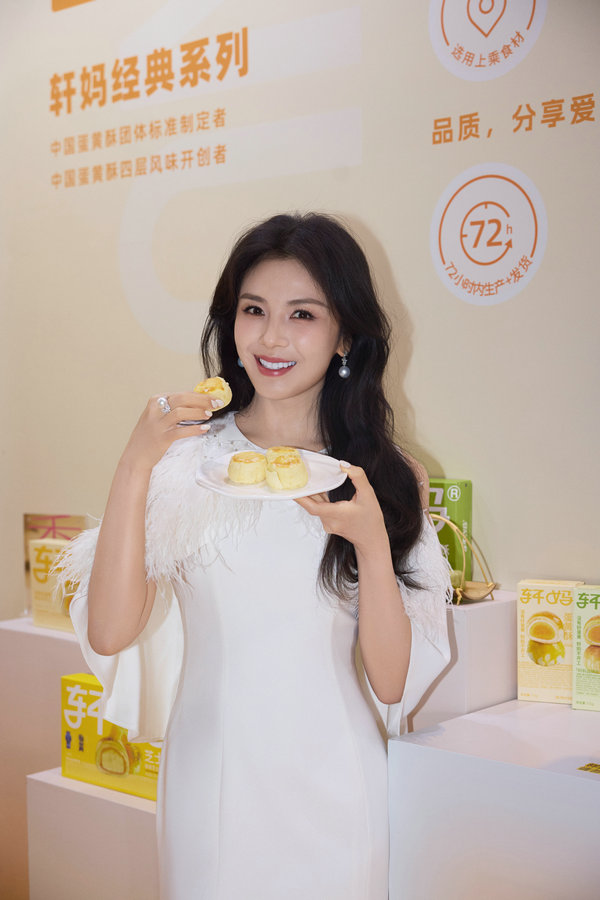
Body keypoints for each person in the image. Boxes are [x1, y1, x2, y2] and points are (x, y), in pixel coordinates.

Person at [59, 212, 451, 899]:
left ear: (345, 336)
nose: (271, 338)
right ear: (230, 321)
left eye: (303, 314)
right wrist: (135, 463)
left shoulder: (383, 477)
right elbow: (110, 630)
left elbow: (391, 683)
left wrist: (369, 543)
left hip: (337, 781)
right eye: (253, 310)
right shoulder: (185, 462)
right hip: (210, 776)